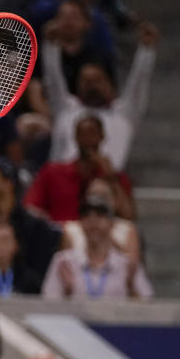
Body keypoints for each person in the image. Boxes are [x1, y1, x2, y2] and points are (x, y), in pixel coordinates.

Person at [42, 19, 158, 171]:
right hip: (63, 182)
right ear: (77, 86)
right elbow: (53, 80)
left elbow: (139, 82)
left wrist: (146, 50)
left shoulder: (124, 113)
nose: (92, 86)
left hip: (106, 182)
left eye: (97, 80)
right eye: (86, 81)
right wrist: (51, 46)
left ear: (110, 84)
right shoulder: (65, 108)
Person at [41, 195, 153, 300]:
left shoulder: (127, 264)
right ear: (80, 223)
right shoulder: (64, 261)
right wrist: (67, 292)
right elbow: (47, 305)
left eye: (100, 215)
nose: (93, 221)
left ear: (112, 223)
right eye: (86, 215)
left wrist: (131, 287)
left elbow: (148, 308)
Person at [25, 115, 133, 223]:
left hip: (100, 235)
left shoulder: (115, 176)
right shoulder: (53, 172)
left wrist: (111, 177)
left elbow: (128, 216)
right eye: (83, 135)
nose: (88, 140)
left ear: (102, 136)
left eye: (92, 134)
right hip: (60, 234)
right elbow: (30, 207)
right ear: (75, 137)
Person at [61, 176, 140, 266]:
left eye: (103, 197)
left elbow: (133, 268)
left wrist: (106, 236)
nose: (97, 202)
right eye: (93, 195)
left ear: (115, 200)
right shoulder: (71, 229)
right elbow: (66, 265)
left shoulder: (128, 229)